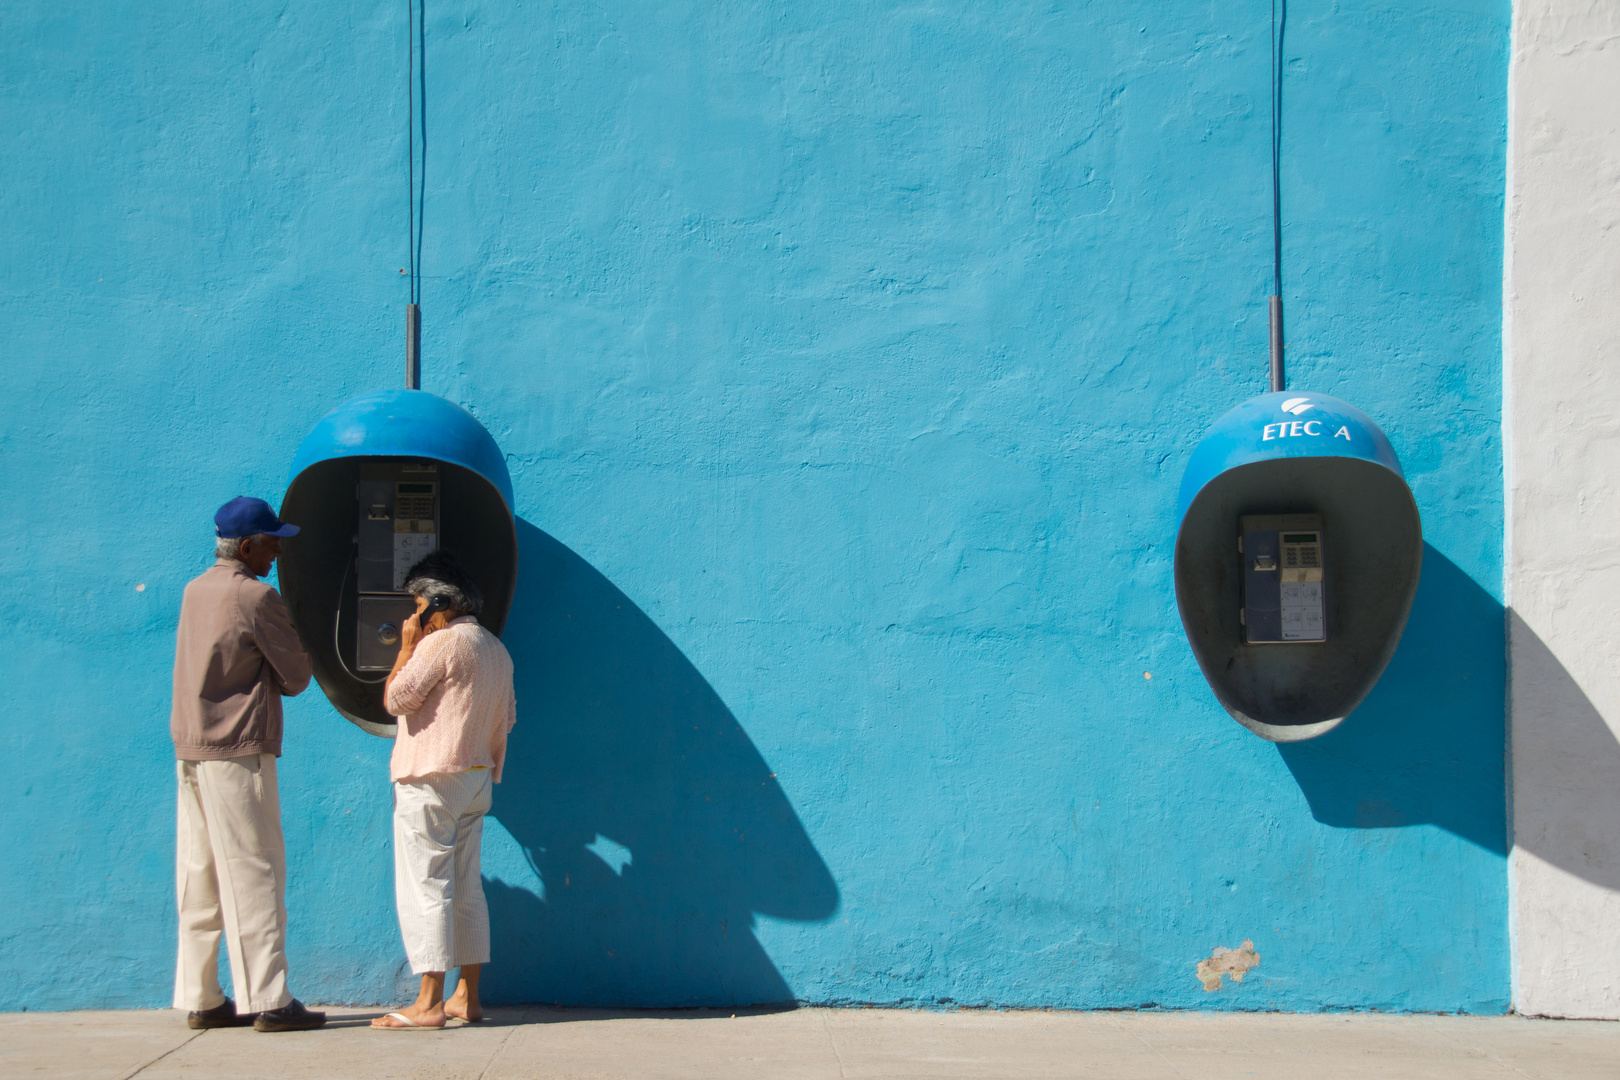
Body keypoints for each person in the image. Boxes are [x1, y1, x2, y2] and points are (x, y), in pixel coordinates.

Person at [170, 497, 327, 1032]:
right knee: (256, 872)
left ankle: (203, 997)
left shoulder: (196, 590)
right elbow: (296, 677)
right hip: (239, 749)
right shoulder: (256, 596)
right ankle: (270, 1000)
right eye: (270, 540)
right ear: (246, 546)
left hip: (191, 748)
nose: (278, 550)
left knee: (201, 874)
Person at [371, 551, 517, 1029]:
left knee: (426, 885)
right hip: (476, 778)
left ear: (439, 603)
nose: (413, 616)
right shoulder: (496, 649)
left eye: (418, 605)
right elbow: (508, 717)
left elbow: (395, 699)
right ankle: (466, 997)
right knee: (466, 886)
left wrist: (405, 647)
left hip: (430, 778)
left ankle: (428, 1002)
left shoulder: (440, 645)